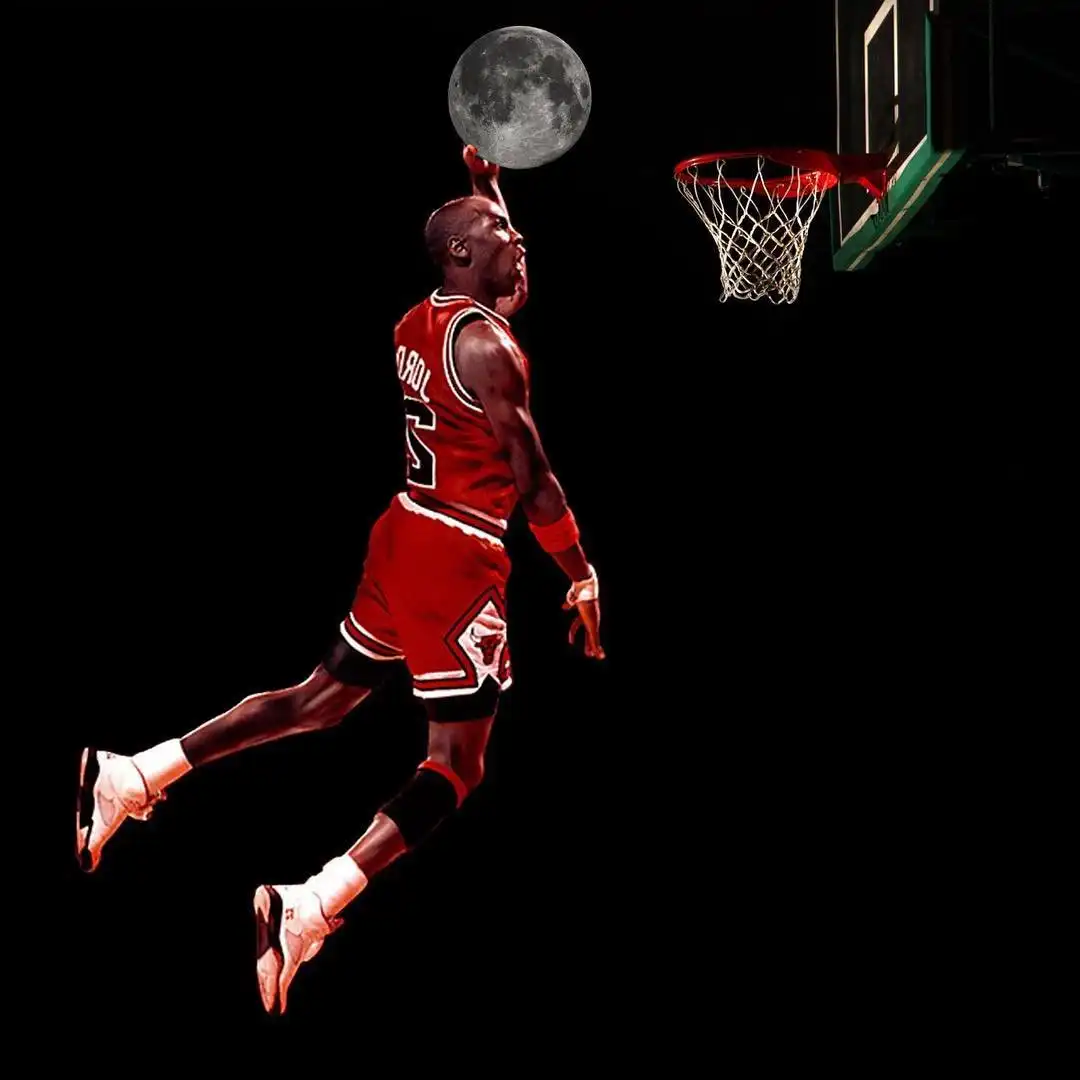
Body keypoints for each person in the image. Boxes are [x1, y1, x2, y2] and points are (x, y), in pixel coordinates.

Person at [74, 143, 605, 1016]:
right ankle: (313, 903)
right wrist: (579, 573)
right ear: (462, 254)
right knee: (456, 766)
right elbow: (535, 476)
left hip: (403, 535)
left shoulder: (419, 323)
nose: (519, 243)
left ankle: (136, 773)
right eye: (500, 234)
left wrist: (488, 191)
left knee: (320, 701)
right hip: (456, 555)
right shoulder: (488, 350)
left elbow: (504, 282)